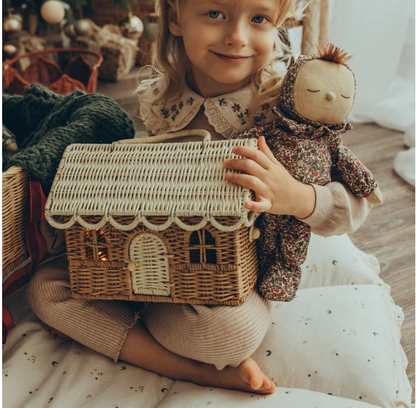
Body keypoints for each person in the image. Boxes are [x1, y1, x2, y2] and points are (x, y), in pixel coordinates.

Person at [26, 0, 372, 396]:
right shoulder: (164, 99)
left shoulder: (289, 108)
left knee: (229, 334)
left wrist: (293, 197)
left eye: (259, 19)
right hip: (157, 252)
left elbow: (354, 208)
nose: (237, 37)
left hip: (241, 274)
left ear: (279, 24)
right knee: (46, 287)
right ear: (175, 18)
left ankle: (130, 326)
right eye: (215, 13)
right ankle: (192, 366)